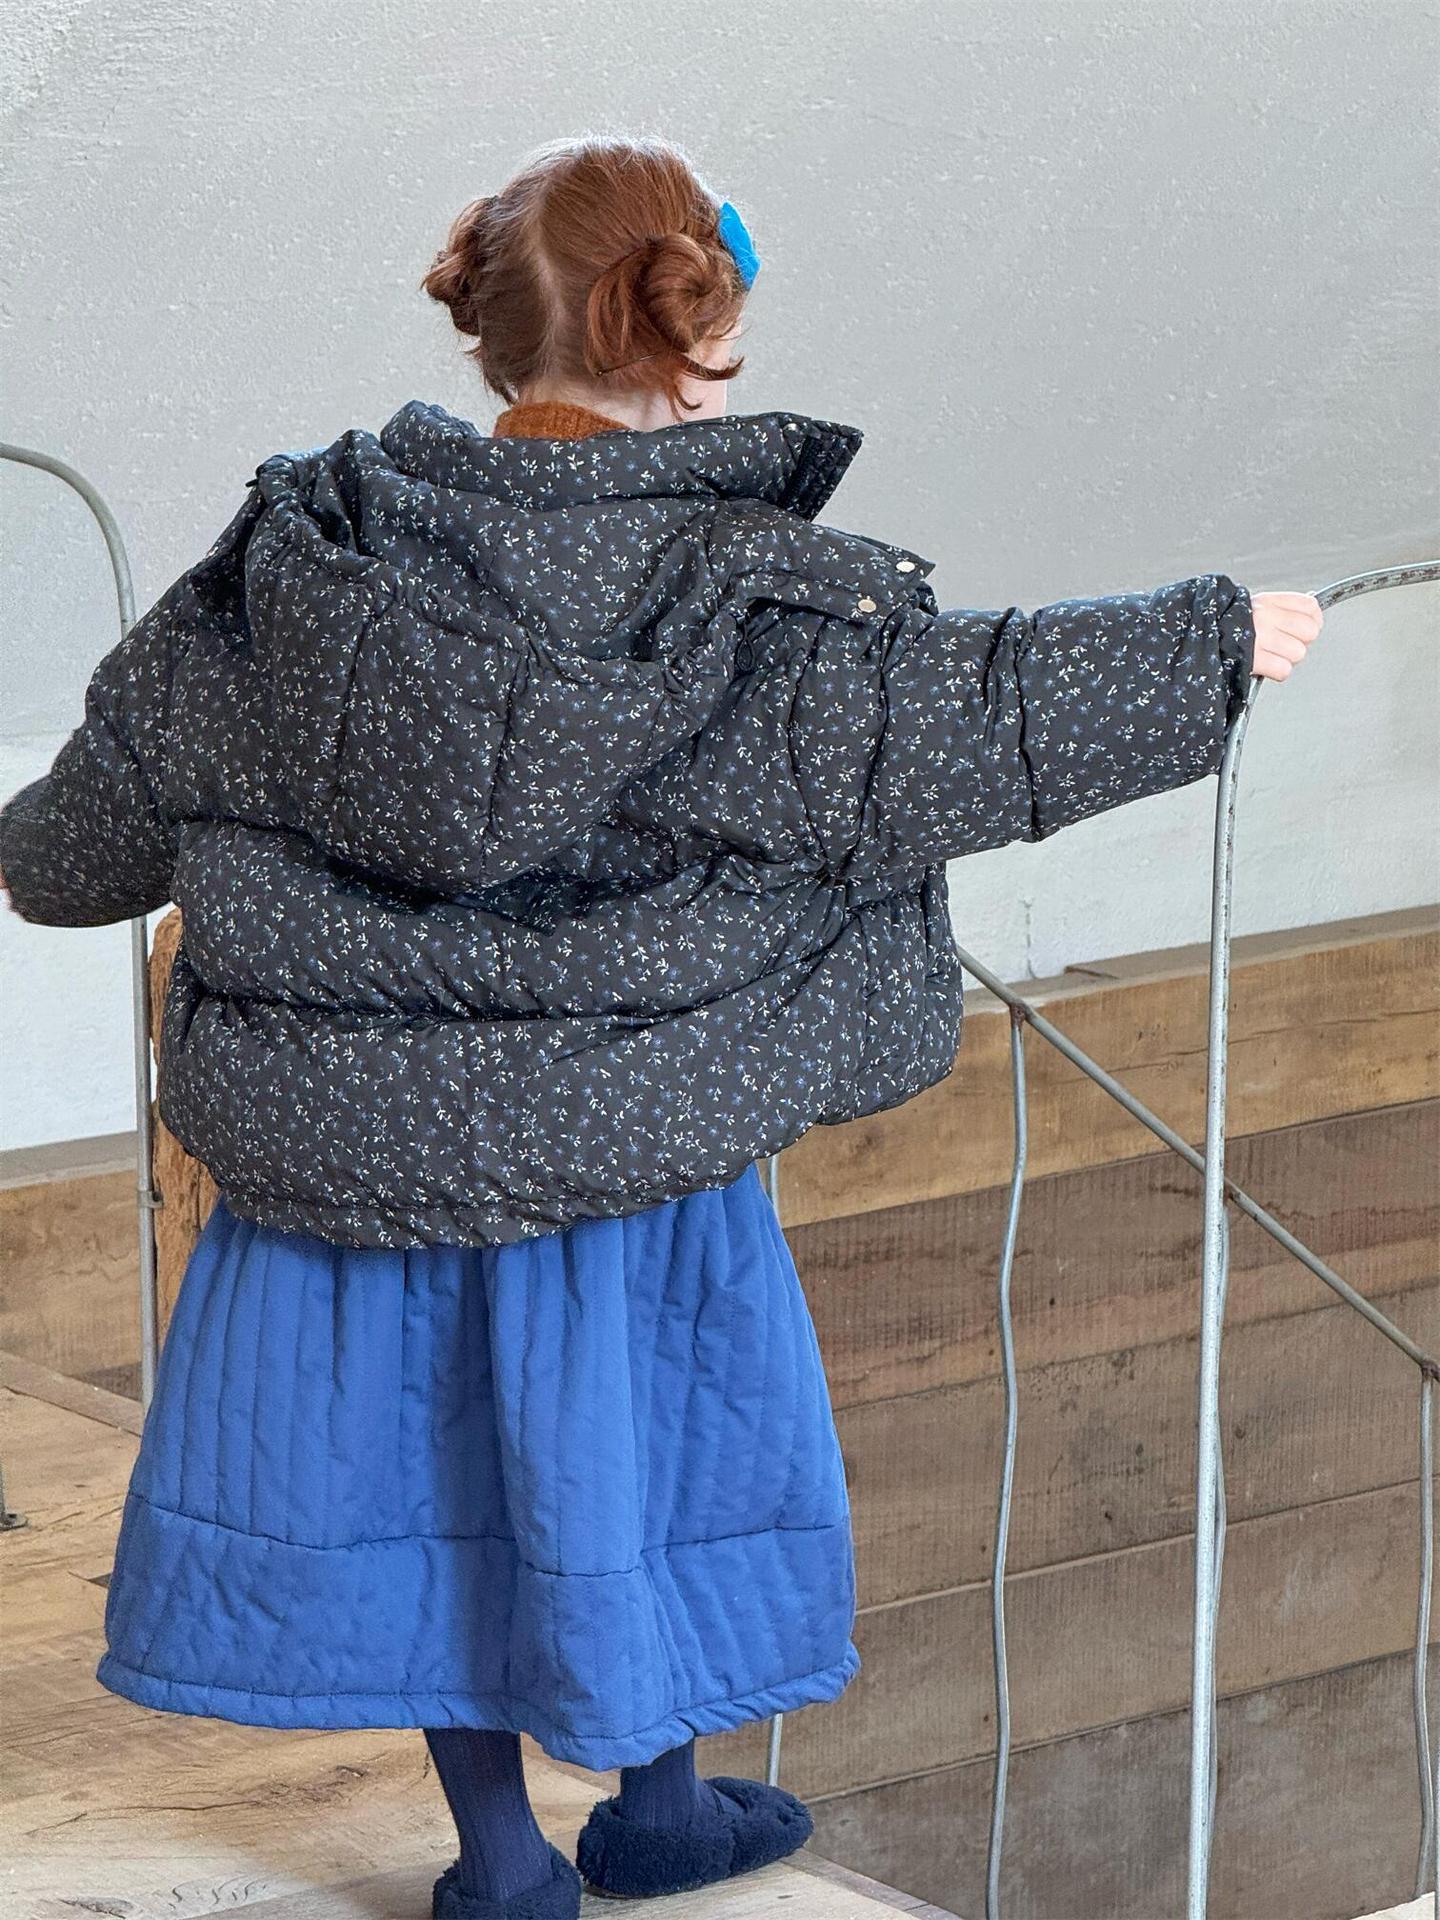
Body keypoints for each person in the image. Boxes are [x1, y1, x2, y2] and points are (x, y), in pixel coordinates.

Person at [0, 133, 1322, 1920]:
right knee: (643, 1467)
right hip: (639, 1151)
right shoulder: (760, 602)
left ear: (486, 326)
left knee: (428, 1503)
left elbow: (69, 854)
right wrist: (1213, 640)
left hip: (351, 1175)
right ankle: (663, 1813)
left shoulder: (293, 575)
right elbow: (975, 712)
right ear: (694, 342)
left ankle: (500, 1866)